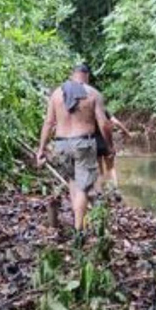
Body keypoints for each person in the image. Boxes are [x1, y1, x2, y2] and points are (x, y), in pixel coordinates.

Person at [36, 64, 113, 233]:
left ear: (72, 75)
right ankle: (79, 231)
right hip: (83, 143)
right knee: (84, 187)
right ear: (87, 76)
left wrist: (41, 148)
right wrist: (109, 146)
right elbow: (104, 124)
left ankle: (79, 222)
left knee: (73, 181)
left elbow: (49, 123)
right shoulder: (93, 94)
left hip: (61, 143)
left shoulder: (57, 94)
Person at [95, 112, 132, 188]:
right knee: (111, 168)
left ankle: (100, 192)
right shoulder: (104, 111)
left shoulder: (90, 111)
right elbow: (116, 122)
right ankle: (115, 190)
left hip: (95, 144)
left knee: (100, 170)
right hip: (107, 144)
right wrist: (127, 133)